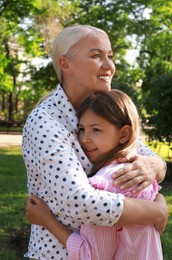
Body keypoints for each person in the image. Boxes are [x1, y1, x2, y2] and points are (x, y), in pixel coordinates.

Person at [22, 25, 168, 260]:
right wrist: (155, 210)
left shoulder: (102, 109)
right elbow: (81, 202)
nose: (109, 65)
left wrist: (155, 166)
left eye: (110, 56)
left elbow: (149, 156)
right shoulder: (45, 121)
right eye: (96, 55)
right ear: (66, 64)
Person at [26, 90, 163, 260]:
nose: (84, 139)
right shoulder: (140, 175)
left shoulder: (108, 185)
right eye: (81, 129)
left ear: (124, 134)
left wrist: (48, 222)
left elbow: (90, 256)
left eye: (96, 130)